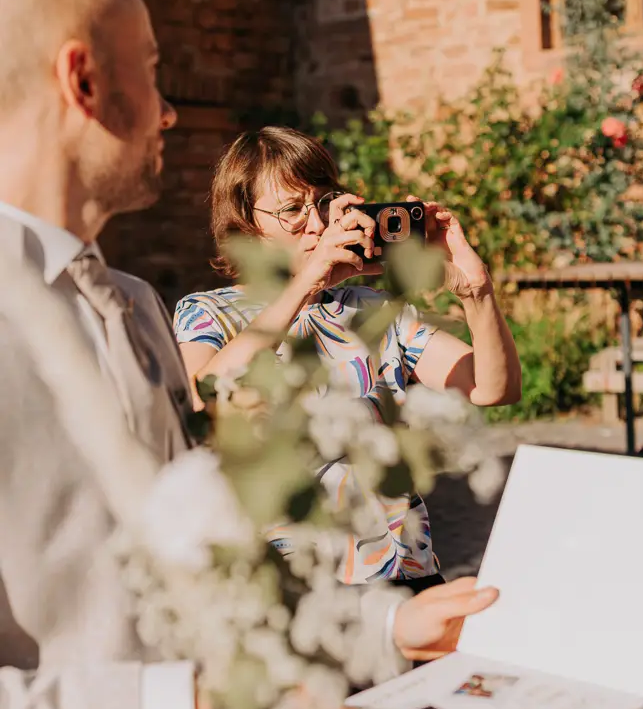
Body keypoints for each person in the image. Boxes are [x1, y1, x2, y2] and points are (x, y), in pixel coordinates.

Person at [0, 0, 498, 709]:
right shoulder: (189, 318)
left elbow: (204, 569)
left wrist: (380, 625)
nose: (168, 116)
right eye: (154, 76)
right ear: (82, 81)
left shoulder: (132, 305)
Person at [174, 127, 521, 586]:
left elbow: (493, 388)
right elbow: (201, 400)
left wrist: (476, 292)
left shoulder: (371, 310)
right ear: (245, 221)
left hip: (405, 574)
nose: (315, 225)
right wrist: (306, 285)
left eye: (320, 204)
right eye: (292, 211)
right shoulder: (209, 313)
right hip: (302, 591)